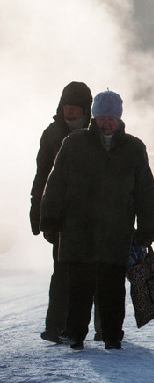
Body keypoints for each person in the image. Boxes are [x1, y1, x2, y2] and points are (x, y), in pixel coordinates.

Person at [41, 90, 154, 350]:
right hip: (78, 227)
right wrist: (49, 219)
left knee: (112, 285)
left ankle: (112, 334)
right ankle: (75, 333)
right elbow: (56, 183)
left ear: (119, 119)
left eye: (111, 118)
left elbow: (145, 191)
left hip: (116, 228)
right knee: (79, 285)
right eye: (102, 118)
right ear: (94, 118)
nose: (107, 123)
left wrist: (147, 227)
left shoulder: (134, 148)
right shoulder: (74, 143)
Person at [30, 81, 95, 343]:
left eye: (75, 108)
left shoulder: (97, 133)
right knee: (62, 271)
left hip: (93, 214)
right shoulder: (52, 134)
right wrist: (38, 210)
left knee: (94, 272)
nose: (69, 112)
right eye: (67, 107)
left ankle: (100, 327)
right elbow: (42, 175)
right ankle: (55, 326)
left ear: (85, 110)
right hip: (62, 215)